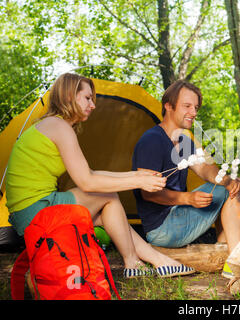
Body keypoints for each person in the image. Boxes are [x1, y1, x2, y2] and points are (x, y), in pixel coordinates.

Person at [5, 73, 190, 279]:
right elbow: (87, 182)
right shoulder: (59, 127)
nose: (93, 105)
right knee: (107, 197)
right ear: (68, 97)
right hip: (36, 210)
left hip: (27, 212)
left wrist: (136, 175)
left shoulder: (53, 125)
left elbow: (90, 173)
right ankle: (133, 262)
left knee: (107, 216)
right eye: (87, 98)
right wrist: (138, 181)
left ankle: (159, 261)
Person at [132, 80, 240, 279]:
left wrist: (227, 180)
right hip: (161, 228)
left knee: (233, 186)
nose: (193, 112)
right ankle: (236, 263)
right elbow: (147, 193)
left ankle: (223, 250)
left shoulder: (183, 141)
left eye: (195, 107)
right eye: (187, 106)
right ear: (168, 106)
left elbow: (204, 168)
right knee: (229, 192)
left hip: (177, 216)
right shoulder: (152, 140)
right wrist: (188, 199)